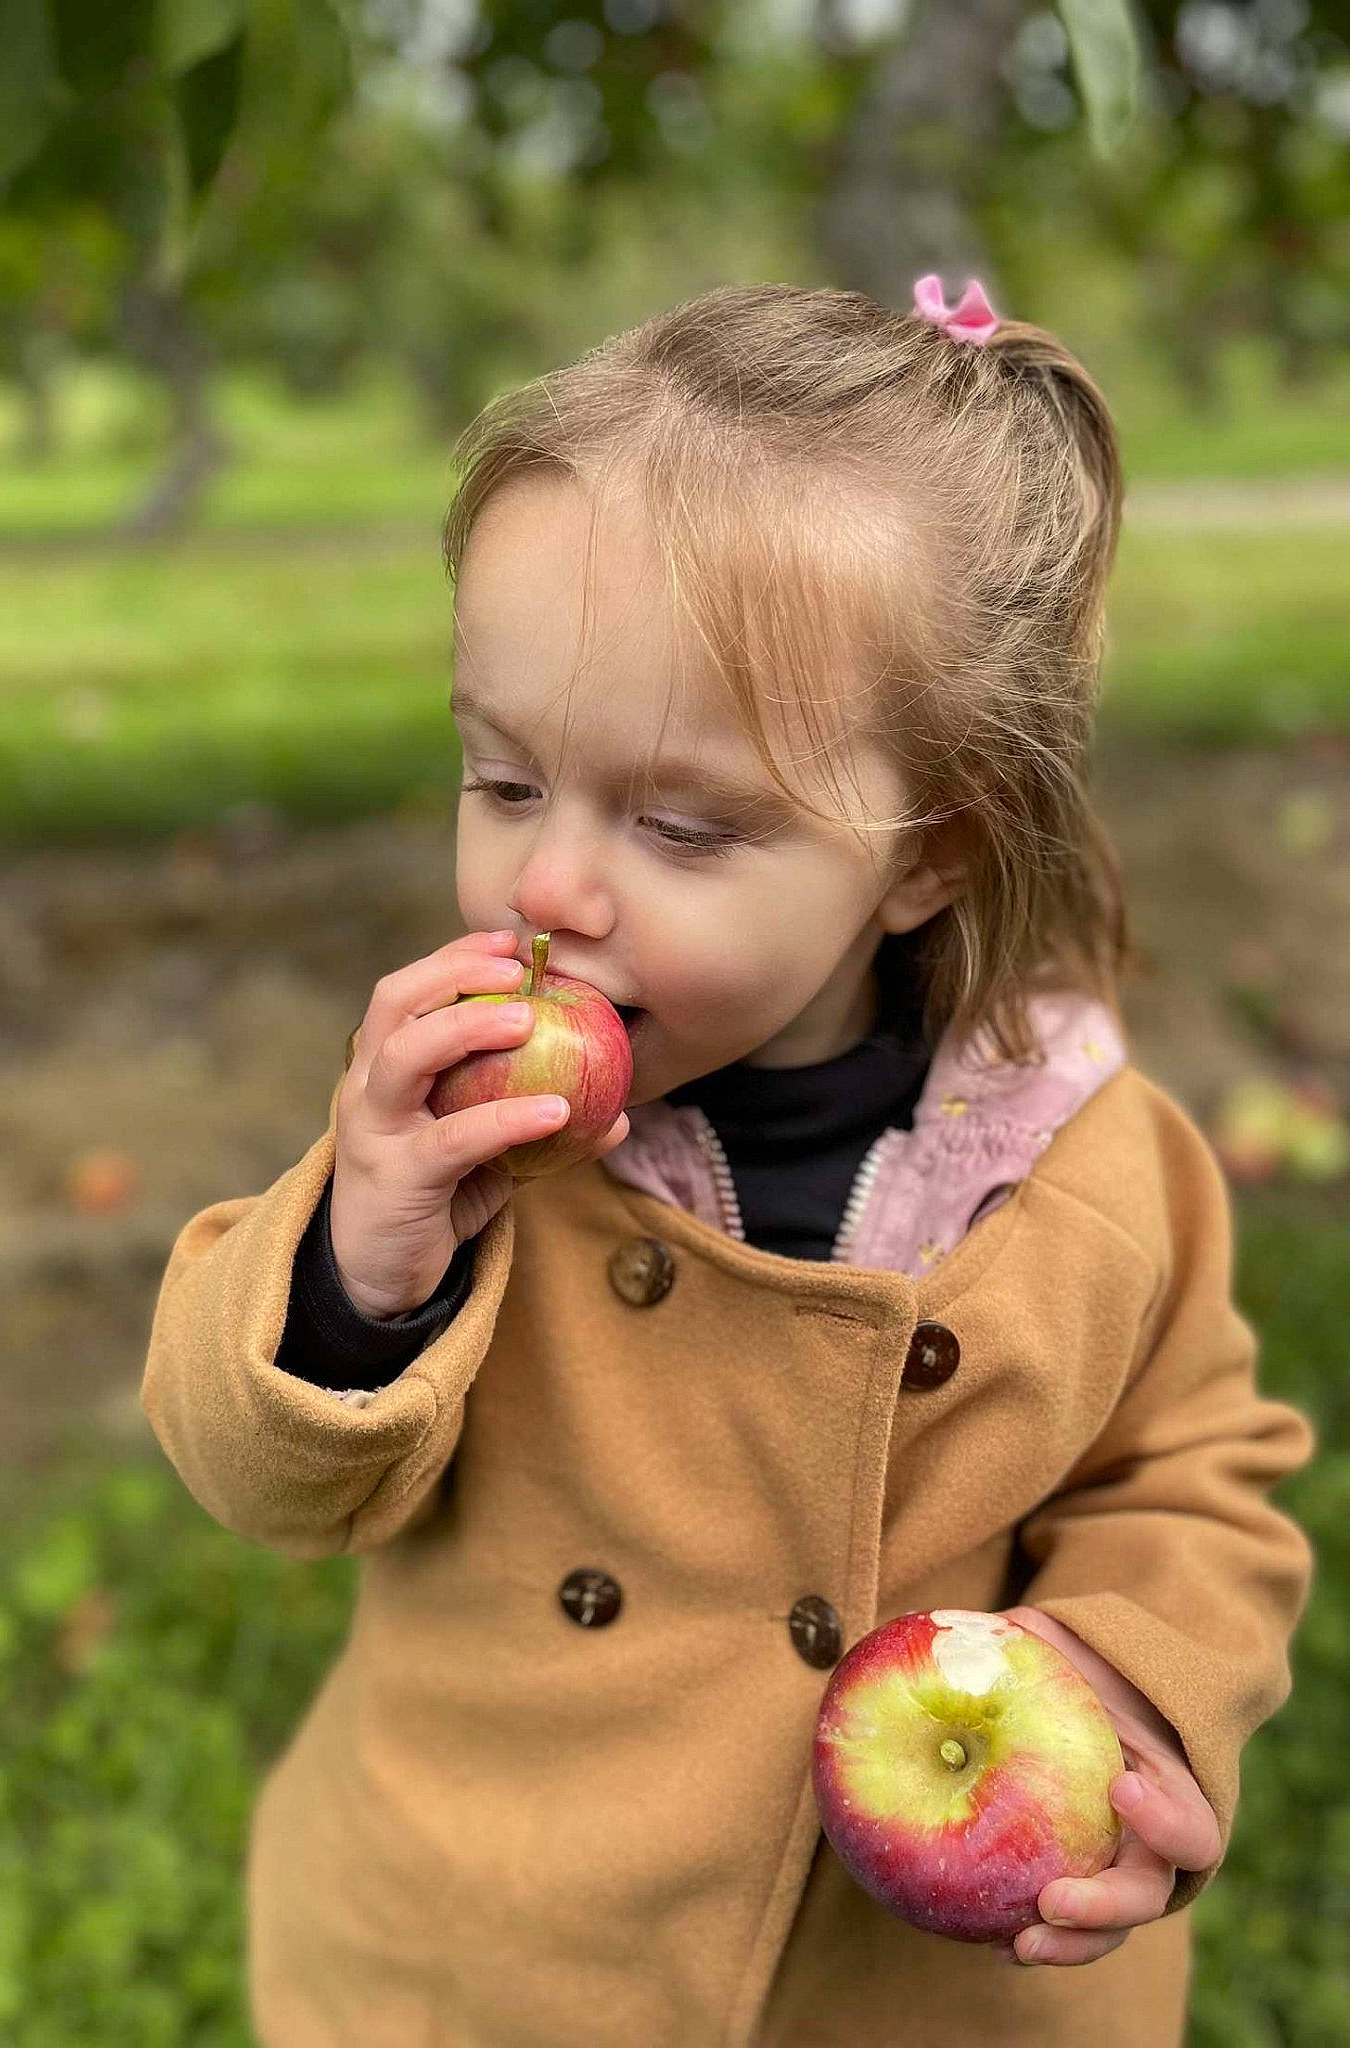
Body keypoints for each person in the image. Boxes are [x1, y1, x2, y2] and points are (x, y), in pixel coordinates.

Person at [142, 278, 1316, 2047]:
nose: (550, 891)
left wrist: (1133, 1676)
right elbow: (260, 1479)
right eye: (505, 781)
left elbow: (1196, 1480)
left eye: (682, 825)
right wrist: (355, 1275)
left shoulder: (1090, 1171)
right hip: (487, 1951)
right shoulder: (472, 1149)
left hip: (905, 1998)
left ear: (927, 854)